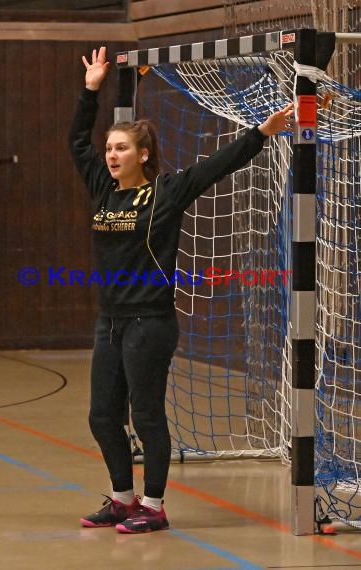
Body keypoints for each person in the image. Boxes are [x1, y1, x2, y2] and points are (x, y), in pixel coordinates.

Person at [69, 46, 294, 534]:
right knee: (101, 414)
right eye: (109, 148)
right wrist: (91, 91)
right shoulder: (104, 191)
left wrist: (261, 133)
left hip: (150, 322)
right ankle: (123, 498)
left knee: (145, 412)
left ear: (143, 154)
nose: (110, 154)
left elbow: (217, 166)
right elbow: (76, 143)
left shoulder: (166, 192)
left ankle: (154, 505)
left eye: (121, 148)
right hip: (109, 321)